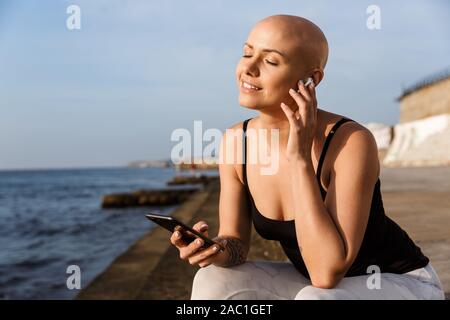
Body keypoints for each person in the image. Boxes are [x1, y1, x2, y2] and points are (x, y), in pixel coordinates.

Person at [169, 14, 445, 300]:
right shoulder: (236, 142)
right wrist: (214, 249)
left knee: (315, 298)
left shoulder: (350, 141)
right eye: (247, 53)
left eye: (271, 61)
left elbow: (326, 273)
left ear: (311, 80)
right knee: (213, 279)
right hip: (319, 285)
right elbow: (237, 243)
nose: (248, 68)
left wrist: (299, 159)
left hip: (399, 283)